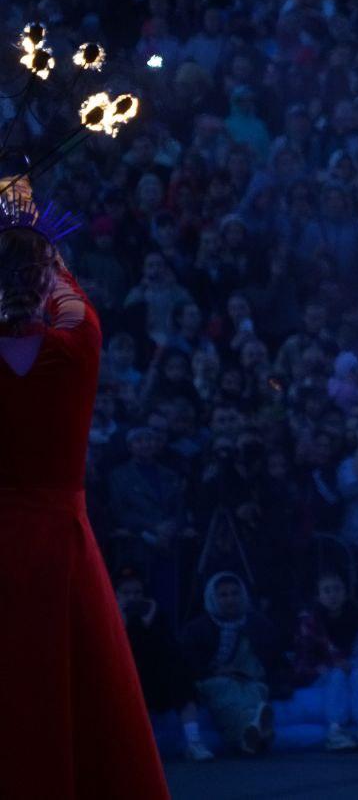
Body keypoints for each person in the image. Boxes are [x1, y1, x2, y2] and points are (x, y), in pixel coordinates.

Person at [0, 204, 169, 798]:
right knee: (83, 699)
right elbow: (72, 299)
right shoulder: (79, 339)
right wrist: (35, 227)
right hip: (59, 545)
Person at [180, 571, 286, 755]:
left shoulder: (259, 623)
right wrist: (215, 670)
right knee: (225, 691)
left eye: (235, 593)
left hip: (249, 678)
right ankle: (248, 732)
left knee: (254, 691)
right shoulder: (197, 628)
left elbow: (274, 658)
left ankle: (254, 730)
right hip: (212, 679)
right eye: (223, 595)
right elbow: (187, 662)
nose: (230, 600)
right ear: (213, 598)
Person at [115, 568, 214, 762]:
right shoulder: (107, 614)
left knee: (179, 674)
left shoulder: (156, 614)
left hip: (157, 677)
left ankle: (193, 741)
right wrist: (121, 618)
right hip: (124, 675)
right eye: (126, 593)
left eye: (137, 593)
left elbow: (165, 647)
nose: (132, 597)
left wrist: (148, 619)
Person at [292, 572, 358, 750]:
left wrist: (351, 664)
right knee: (337, 675)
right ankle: (335, 729)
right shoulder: (310, 621)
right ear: (319, 596)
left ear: (345, 593)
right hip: (319, 671)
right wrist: (332, 664)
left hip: (351, 666)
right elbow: (305, 657)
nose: (333, 595)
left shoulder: (356, 617)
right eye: (327, 591)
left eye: (337, 589)